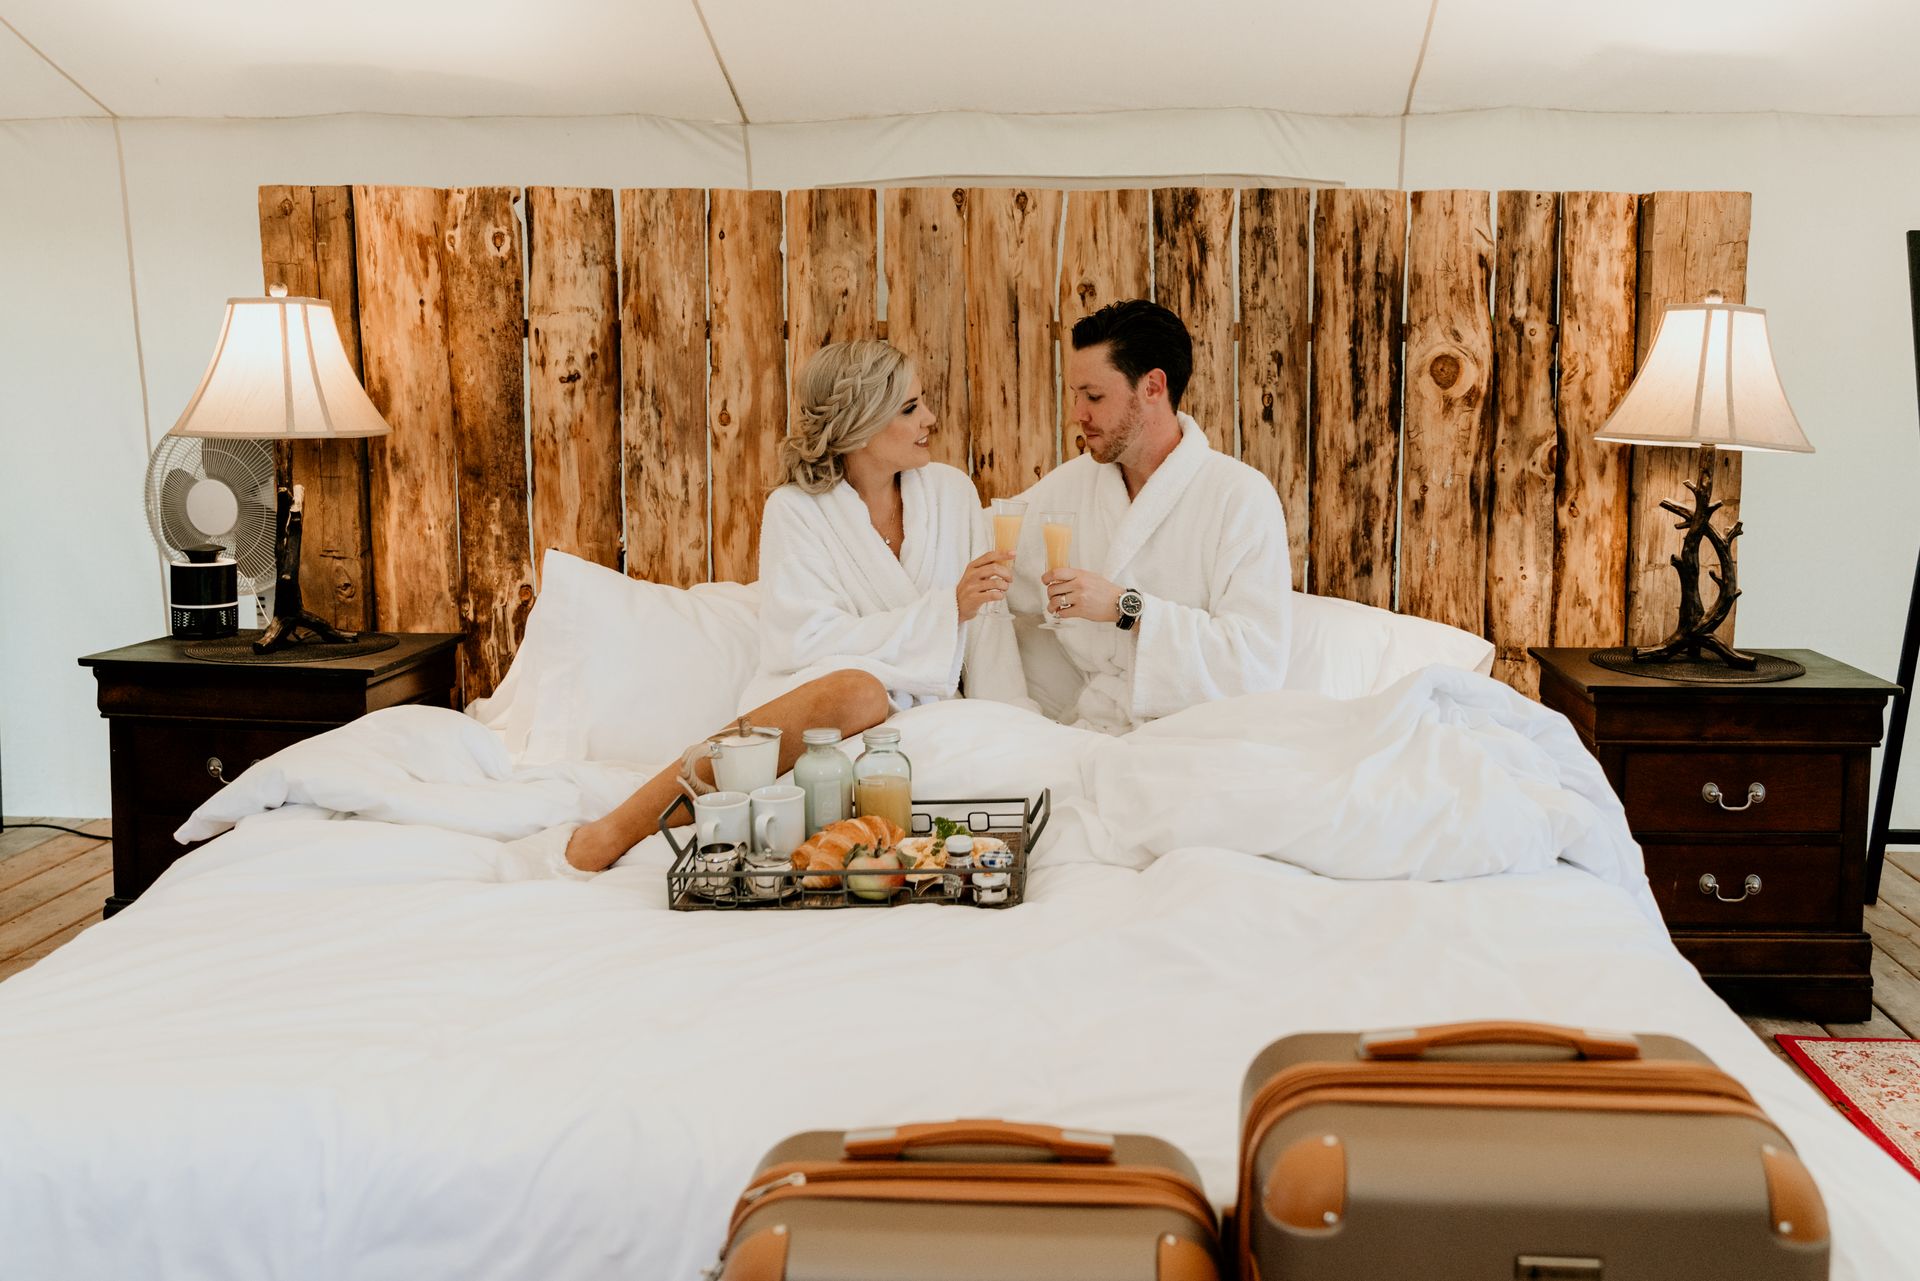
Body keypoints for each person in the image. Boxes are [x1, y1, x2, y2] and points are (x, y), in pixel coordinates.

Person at [563, 339, 1013, 872]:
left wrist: (1011, 714)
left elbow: (989, 621)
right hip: (816, 701)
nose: (930, 418)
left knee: (884, 698)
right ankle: (620, 826)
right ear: (861, 425)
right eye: (910, 408)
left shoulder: (951, 494)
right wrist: (944, 613)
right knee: (860, 691)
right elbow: (803, 640)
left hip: (925, 712)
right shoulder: (796, 510)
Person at [1004, 299, 1292, 734]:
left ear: (1153, 387)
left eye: (1094, 396)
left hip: (1204, 733)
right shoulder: (1073, 486)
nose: (1078, 414)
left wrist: (1126, 608)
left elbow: (1254, 663)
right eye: (1076, 395)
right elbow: (987, 549)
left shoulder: (1239, 496)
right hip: (1093, 729)